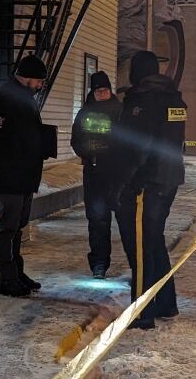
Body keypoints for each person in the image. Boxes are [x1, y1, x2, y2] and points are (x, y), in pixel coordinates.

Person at [111, 51, 186, 329]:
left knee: (141, 247)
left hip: (146, 183)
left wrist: (128, 181)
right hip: (168, 180)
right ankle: (166, 303)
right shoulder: (174, 100)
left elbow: (137, 147)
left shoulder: (144, 101)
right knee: (154, 242)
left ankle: (141, 313)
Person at [0, 54, 51, 298]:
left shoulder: (22, 98)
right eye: (39, 81)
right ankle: (6, 277)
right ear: (28, 78)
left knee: (18, 225)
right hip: (8, 174)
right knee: (8, 226)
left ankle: (16, 272)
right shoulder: (4, 99)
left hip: (23, 174)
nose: (41, 85)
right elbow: (1, 139)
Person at [70, 71, 122, 279]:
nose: (102, 94)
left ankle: (135, 263)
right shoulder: (85, 113)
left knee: (124, 220)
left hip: (117, 172)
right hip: (94, 171)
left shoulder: (120, 111)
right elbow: (76, 139)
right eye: (99, 91)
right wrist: (87, 153)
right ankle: (99, 263)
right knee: (98, 220)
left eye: (105, 90)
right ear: (93, 92)